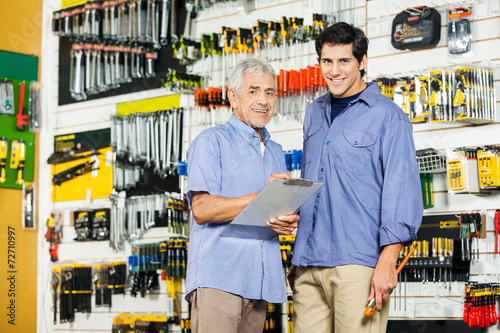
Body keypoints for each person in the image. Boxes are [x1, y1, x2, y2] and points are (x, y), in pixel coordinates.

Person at [288, 22, 423, 333]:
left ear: (362, 62)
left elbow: (401, 192)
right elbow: (316, 186)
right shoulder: (314, 112)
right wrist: (299, 251)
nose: (334, 71)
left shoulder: (388, 116)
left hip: (358, 265)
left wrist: (388, 262)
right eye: (327, 61)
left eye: (344, 61)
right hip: (308, 265)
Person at [185, 58, 300, 333]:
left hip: (261, 281)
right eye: (253, 91)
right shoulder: (211, 142)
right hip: (219, 278)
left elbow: (267, 214)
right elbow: (201, 208)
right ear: (232, 97)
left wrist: (285, 221)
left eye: (270, 92)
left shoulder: (275, 151)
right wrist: (261, 196)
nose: (263, 100)